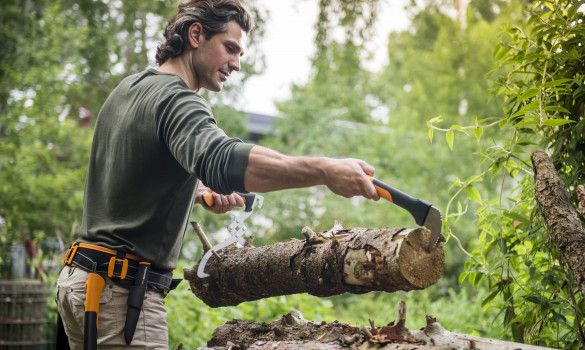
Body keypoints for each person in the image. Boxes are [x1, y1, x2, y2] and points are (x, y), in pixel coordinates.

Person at [55, 0, 379, 349]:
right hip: (120, 294)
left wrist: (193, 189)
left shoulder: (127, 90)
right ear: (196, 35)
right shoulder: (176, 100)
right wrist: (325, 169)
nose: (236, 64)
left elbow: (129, 173)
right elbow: (224, 159)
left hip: (79, 282)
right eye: (230, 48)